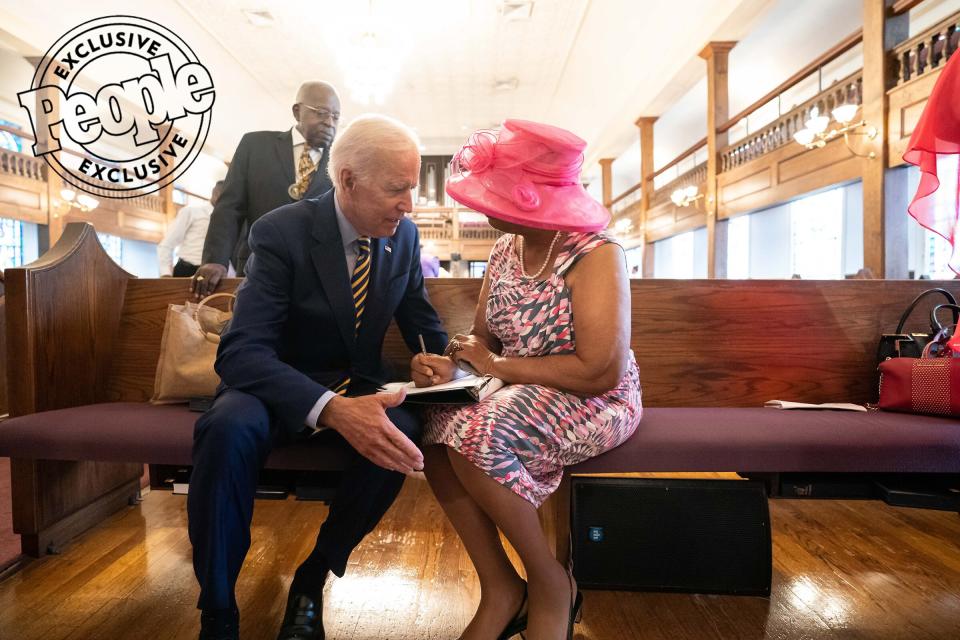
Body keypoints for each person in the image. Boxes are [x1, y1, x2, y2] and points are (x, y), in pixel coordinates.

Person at [187, 114, 448, 640]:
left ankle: (313, 575)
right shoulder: (281, 231)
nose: (409, 204)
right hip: (275, 384)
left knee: (402, 432)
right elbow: (240, 353)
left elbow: (422, 321)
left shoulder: (405, 235)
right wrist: (329, 407)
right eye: (397, 189)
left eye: (412, 189)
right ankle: (217, 606)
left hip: (359, 381)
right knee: (227, 428)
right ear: (348, 180)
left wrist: (437, 358)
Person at [410, 120, 643, 640]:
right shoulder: (503, 251)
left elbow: (600, 370)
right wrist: (455, 367)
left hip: (595, 399)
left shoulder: (597, 254)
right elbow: (485, 340)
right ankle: (500, 586)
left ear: (530, 198)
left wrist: (496, 370)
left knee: (478, 432)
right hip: (517, 388)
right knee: (434, 422)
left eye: (493, 195)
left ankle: (550, 583)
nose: (482, 207)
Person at [192, 81, 341, 295]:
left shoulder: (340, 162)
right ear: (297, 111)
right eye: (321, 113)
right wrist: (216, 260)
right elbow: (230, 207)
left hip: (316, 276)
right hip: (257, 267)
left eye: (335, 117)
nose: (329, 122)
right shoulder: (255, 145)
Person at [157, 181, 225, 277]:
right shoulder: (191, 211)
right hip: (187, 270)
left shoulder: (227, 220)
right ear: (214, 192)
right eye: (220, 192)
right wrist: (165, 274)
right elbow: (167, 244)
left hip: (213, 274)